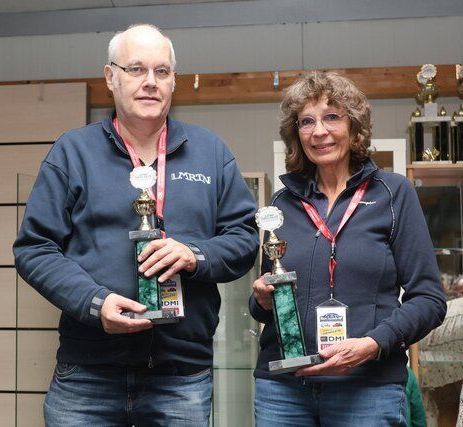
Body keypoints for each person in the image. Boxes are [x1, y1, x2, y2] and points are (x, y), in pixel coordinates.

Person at [14, 24, 259, 426]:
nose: (150, 82)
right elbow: (35, 249)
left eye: (162, 71)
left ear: (174, 81)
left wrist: (195, 255)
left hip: (181, 378)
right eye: (136, 69)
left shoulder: (211, 152)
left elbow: (244, 238)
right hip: (87, 377)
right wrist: (94, 303)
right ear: (110, 77)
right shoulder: (73, 152)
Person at [249, 71, 446, 426]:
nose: (319, 131)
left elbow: (429, 299)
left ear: (354, 127)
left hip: (368, 388)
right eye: (306, 121)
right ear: (296, 134)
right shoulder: (281, 204)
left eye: (331, 117)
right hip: (284, 391)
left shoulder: (393, 194)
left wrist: (373, 344)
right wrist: (261, 300)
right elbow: (266, 306)